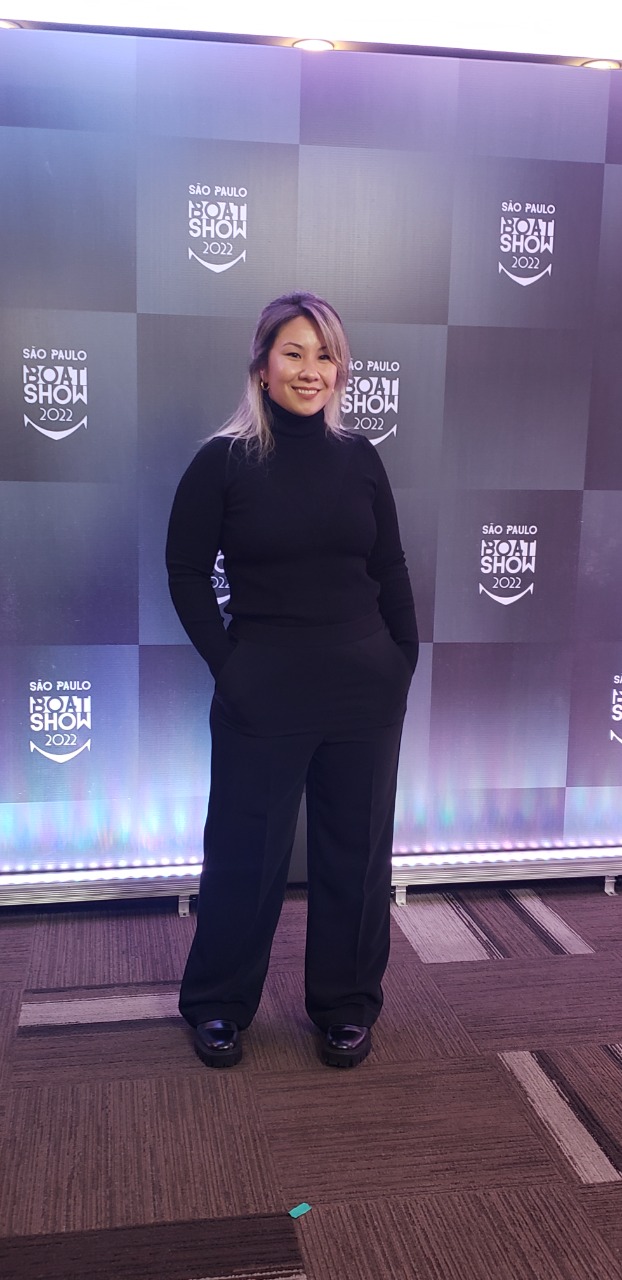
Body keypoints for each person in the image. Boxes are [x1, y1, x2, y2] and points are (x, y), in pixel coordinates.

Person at [166, 292, 418, 1070]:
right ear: (262, 366)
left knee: (356, 855)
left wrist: (402, 659)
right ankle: (218, 1004)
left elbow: (390, 566)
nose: (312, 370)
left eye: (326, 355)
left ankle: (347, 1006)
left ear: (340, 369)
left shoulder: (361, 457)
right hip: (264, 690)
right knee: (245, 855)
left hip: (364, 689)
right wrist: (231, 667)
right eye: (294, 353)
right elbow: (184, 572)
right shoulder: (222, 462)